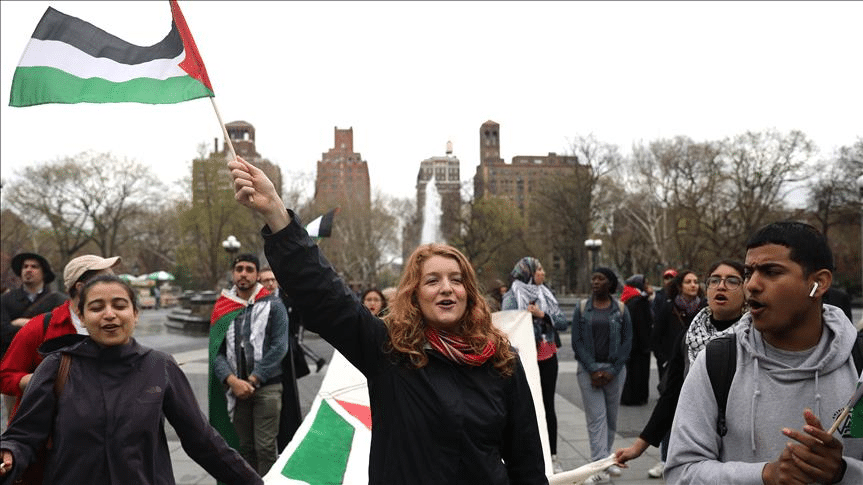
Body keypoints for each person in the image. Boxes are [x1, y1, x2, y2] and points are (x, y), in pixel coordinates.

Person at [229, 156, 546, 484]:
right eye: (433, 280)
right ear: (415, 294)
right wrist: (276, 214)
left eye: (456, 279)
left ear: (469, 291)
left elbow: (528, 462)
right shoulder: (390, 351)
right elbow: (326, 296)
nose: (447, 289)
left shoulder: (501, 359)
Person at [0, 275, 261, 484]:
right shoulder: (57, 366)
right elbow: (23, 435)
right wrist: (9, 454)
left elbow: (202, 440)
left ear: (135, 313)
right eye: (96, 307)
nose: (109, 314)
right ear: (81, 317)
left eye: (120, 305)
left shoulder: (160, 365)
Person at [666, 222, 863, 485]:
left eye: (771, 272)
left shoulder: (858, 362)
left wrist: (843, 472)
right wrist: (765, 475)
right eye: (749, 273)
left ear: (819, 282)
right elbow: (681, 472)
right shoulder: (718, 361)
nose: (752, 286)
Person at [614, 259, 747, 478]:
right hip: (697, 441)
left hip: (740, 448)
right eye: (714, 281)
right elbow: (672, 394)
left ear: (746, 290)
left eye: (732, 281)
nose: (721, 286)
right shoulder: (689, 335)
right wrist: (638, 447)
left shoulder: (756, 337)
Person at [1, 255, 120, 421]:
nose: (116, 285)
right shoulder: (39, 327)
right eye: (107, 280)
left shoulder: (117, 323)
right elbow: (5, 377)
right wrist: (42, 379)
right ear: (80, 287)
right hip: (50, 435)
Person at [210, 254, 290, 475]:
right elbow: (216, 351)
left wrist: (253, 380)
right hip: (236, 389)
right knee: (243, 447)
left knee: (265, 447)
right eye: (239, 269)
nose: (243, 273)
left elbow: (279, 347)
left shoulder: (274, 305)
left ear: (256, 274)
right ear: (233, 273)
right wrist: (233, 381)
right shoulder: (223, 306)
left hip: (267, 386)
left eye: (249, 269)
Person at [501, 257, 568, 473]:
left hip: (547, 356)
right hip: (524, 359)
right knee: (524, 408)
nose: (543, 272)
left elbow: (562, 323)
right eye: (539, 269)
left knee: (548, 406)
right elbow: (507, 324)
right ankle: (529, 457)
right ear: (528, 273)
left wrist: (542, 315)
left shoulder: (546, 293)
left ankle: (553, 455)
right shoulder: (511, 297)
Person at [572, 267, 633, 483]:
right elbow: (577, 342)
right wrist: (593, 369)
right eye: (593, 278)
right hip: (588, 372)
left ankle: (607, 460)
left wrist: (612, 370)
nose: (595, 282)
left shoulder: (622, 309)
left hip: (615, 371)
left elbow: (627, 342)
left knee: (611, 417)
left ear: (611, 283)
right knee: (596, 418)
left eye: (601, 278)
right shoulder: (581, 309)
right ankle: (597, 467)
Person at [647, 268, 705, 475]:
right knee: (669, 410)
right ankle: (664, 458)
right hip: (672, 369)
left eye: (696, 281)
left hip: (699, 368)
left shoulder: (705, 308)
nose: (693, 285)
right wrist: (665, 361)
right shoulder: (669, 307)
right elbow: (656, 338)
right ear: (680, 286)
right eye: (689, 281)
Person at [257, 267, 304, 451]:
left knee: (288, 407)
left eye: (273, 280)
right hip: (264, 362)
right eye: (265, 280)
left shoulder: (287, 299)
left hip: (286, 359)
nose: (270, 283)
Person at [1, 253, 65, 360]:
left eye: (34, 267)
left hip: (47, 362)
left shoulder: (58, 301)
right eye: (25, 266)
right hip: (13, 361)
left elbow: (60, 333)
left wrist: (24, 323)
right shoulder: (5, 300)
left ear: (44, 273)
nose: (28, 270)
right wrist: (42, 326)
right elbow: (3, 333)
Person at [619, 274, 653, 406]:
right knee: (639, 372)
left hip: (630, 344)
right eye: (645, 283)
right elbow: (642, 325)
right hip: (640, 345)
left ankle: (629, 396)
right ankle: (637, 398)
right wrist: (647, 344)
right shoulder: (639, 301)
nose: (647, 285)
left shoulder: (628, 299)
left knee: (630, 372)